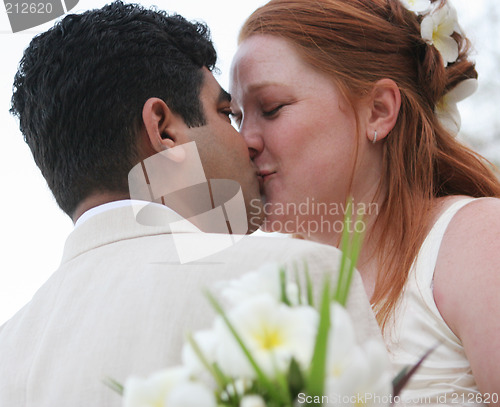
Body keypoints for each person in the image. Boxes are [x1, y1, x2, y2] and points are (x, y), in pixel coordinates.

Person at [0, 2, 384, 406]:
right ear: (164, 130)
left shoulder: (9, 348)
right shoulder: (291, 276)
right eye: (226, 113)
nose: (248, 141)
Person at [230, 0, 500, 404]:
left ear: (378, 110)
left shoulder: (476, 242)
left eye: (271, 109)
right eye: (235, 117)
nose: (244, 140)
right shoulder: (262, 286)